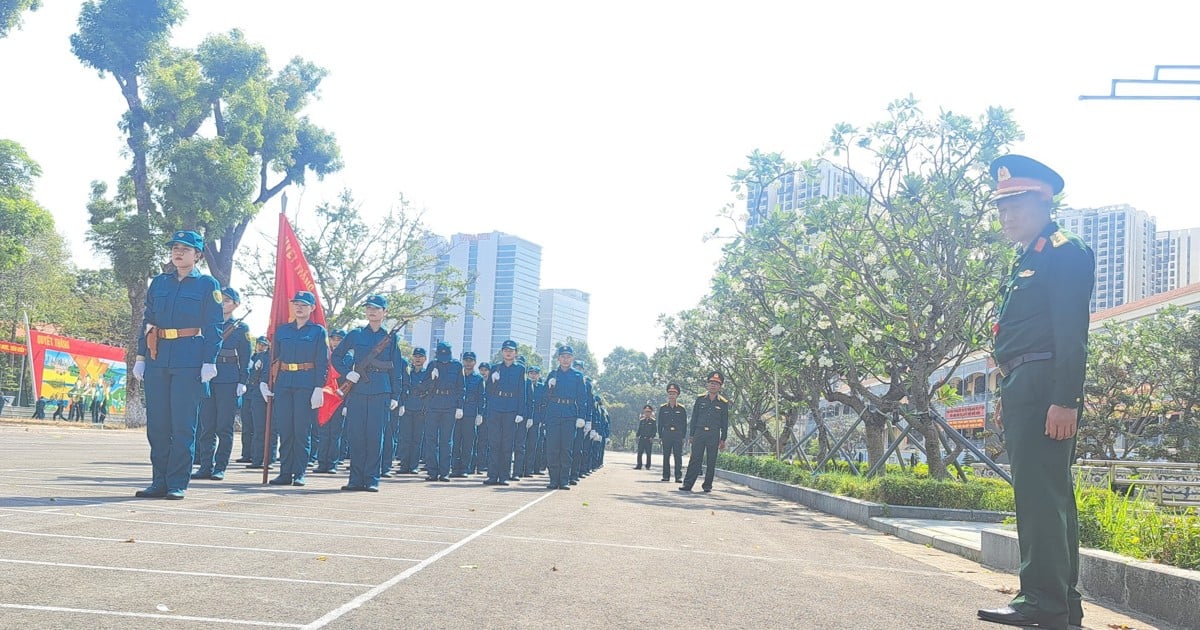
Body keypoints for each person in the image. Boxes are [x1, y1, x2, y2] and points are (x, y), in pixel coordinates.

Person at [976, 155, 1094, 630]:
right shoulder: (1030, 255)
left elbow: (1072, 332)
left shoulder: (1064, 251)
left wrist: (1065, 399)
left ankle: (1042, 601)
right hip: (1025, 383)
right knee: (1046, 494)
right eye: (1000, 207)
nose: (1006, 216)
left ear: (1044, 201)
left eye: (1015, 205)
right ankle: (1060, 600)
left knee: (1041, 496)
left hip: (1047, 384)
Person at [131, 230, 223, 500]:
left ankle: (177, 483)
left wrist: (210, 360)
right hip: (158, 357)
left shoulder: (207, 285)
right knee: (157, 425)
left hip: (189, 359)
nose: (178, 252)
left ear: (198, 255)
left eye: (185, 248)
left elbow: (214, 325)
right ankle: (158, 480)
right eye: (174, 248)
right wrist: (140, 357)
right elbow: (147, 322)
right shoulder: (159, 283)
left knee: (183, 425)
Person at [332, 295, 404, 492]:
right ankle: (355, 479)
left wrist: (395, 395)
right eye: (369, 308)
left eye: (376, 308)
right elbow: (336, 357)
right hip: (358, 389)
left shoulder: (390, 337)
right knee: (356, 436)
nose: (371, 311)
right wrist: (349, 373)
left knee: (375, 437)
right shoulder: (355, 334)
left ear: (384, 312)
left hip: (381, 390)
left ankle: (372, 479)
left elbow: (396, 368)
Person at [260, 291, 328, 487]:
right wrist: (265, 381)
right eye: (296, 304)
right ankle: (285, 472)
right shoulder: (282, 331)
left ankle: (299, 472)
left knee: (301, 431)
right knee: (285, 430)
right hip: (284, 384)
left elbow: (322, 361)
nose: (299, 307)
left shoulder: (317, 332)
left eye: (304, 305)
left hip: (306, 385)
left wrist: (318, 387)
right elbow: (272, 357)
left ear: (312, 308)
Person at [193, 287, 251, 482]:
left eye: (227, 300)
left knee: (224, 427)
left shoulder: (241, 328)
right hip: (209, 377)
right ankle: (205, 466)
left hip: (229, 378)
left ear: (235, 304)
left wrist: (243, 381)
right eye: (221, 300)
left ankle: (220, 467)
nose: (223, 303)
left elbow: (245, 356)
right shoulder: (209, 323)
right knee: (206, 425)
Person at [543, 346, 587, 490]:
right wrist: (549, 387)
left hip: (569, 413)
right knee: (552, 448)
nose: (565, 359)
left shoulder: (577, 376)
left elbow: (582, 398)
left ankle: (564, 480)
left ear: (572, 359)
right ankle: (553, 479)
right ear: (558, 358)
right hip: (554, 413)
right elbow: (544, 397)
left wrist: (582, 417)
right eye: (563, 356)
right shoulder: (553, 374)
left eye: (568, 356)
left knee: (566, 448)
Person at [484, 340, 526, 486]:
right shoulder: (495, 368)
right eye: (506, 350)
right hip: (496, 407)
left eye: (511, 350)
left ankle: (504, 476)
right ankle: (492, 475)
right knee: (494, 443)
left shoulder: (520, 369)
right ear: (502, 352)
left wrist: (521, 412)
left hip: (511, 408)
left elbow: (522, 391)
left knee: (507, 444)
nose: (508, 353)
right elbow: (487, 391)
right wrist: (492, 381)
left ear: (516, 353)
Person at [679, 371, 729, 493]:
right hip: (699, 433)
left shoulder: (723, 403)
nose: (713, 385)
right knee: (695, 458)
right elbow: (694, 418)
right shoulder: (700, 399)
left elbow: (725, 422)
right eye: (711, 383)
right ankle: (688, 484)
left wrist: (723, 439)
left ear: (720, 386)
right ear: (707, 385)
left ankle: (707, 485)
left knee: (711, 460)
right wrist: (691, 435)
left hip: (714, 434)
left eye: (716, 384)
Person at [424, 341, 464, 482]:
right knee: (431, 440)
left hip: (450, 405)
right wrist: (431, 378)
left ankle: (445, 472)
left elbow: (461, 388)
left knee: (446, 441)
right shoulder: (432, 365)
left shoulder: (457, 366)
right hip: (433, 404)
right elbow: (422, 387)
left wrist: (459, 406)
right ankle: (432, 472)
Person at [314, 328, 349, 474]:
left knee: (335, 433)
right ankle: (322, 463)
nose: (336, 342)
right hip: (325, 397)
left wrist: (346, 404)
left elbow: (349, 382)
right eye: (334, 339)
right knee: (323, 432)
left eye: (339, 339)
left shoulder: (347, 358)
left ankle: (332, 463)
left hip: (339, 398)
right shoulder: (325, 355)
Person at [395, 347, 429, 476]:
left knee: (417, 439)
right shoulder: (407, 372)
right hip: (407, 408)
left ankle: (414, 466)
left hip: (420, 409)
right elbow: (403, 388)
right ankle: (404, 465)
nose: (418, 359)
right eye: (416, 356)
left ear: (425, 359)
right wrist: (401, 404)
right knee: (405, 438)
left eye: (420, 356)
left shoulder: (427, 373)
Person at [246, 336, 277, 469]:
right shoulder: (261, 357)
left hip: (276, 393)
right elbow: (253, 376)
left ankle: (269, 459)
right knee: (259, 428)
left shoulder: (278, 356)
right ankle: (257, 459)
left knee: (273, 429)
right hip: (259, 393)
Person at [453, 351, 484, 478]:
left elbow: (482, 397)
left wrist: (480, 414)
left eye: (471, 360)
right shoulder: (457, 376)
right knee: (455, 441)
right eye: (466, 360)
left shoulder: (478, 378)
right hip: (456, 411)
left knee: (468, 442)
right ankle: (455, 468)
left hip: (471, 413)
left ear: (475, 362)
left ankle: (465, 468)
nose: (468, 363)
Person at [658, 383, 687, 482]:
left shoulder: (681, 409)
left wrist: (683, 437)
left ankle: (678, 476)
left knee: (678, 456)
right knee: (666, 455)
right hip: (666, 434)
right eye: (670, 393)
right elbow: (660, 423)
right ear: (668, 395)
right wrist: (661, 436)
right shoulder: (663, 408)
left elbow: (684, 424)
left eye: (673, 394)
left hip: (678, 434)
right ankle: (666, 476)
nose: (671, 396)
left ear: (677, 395)